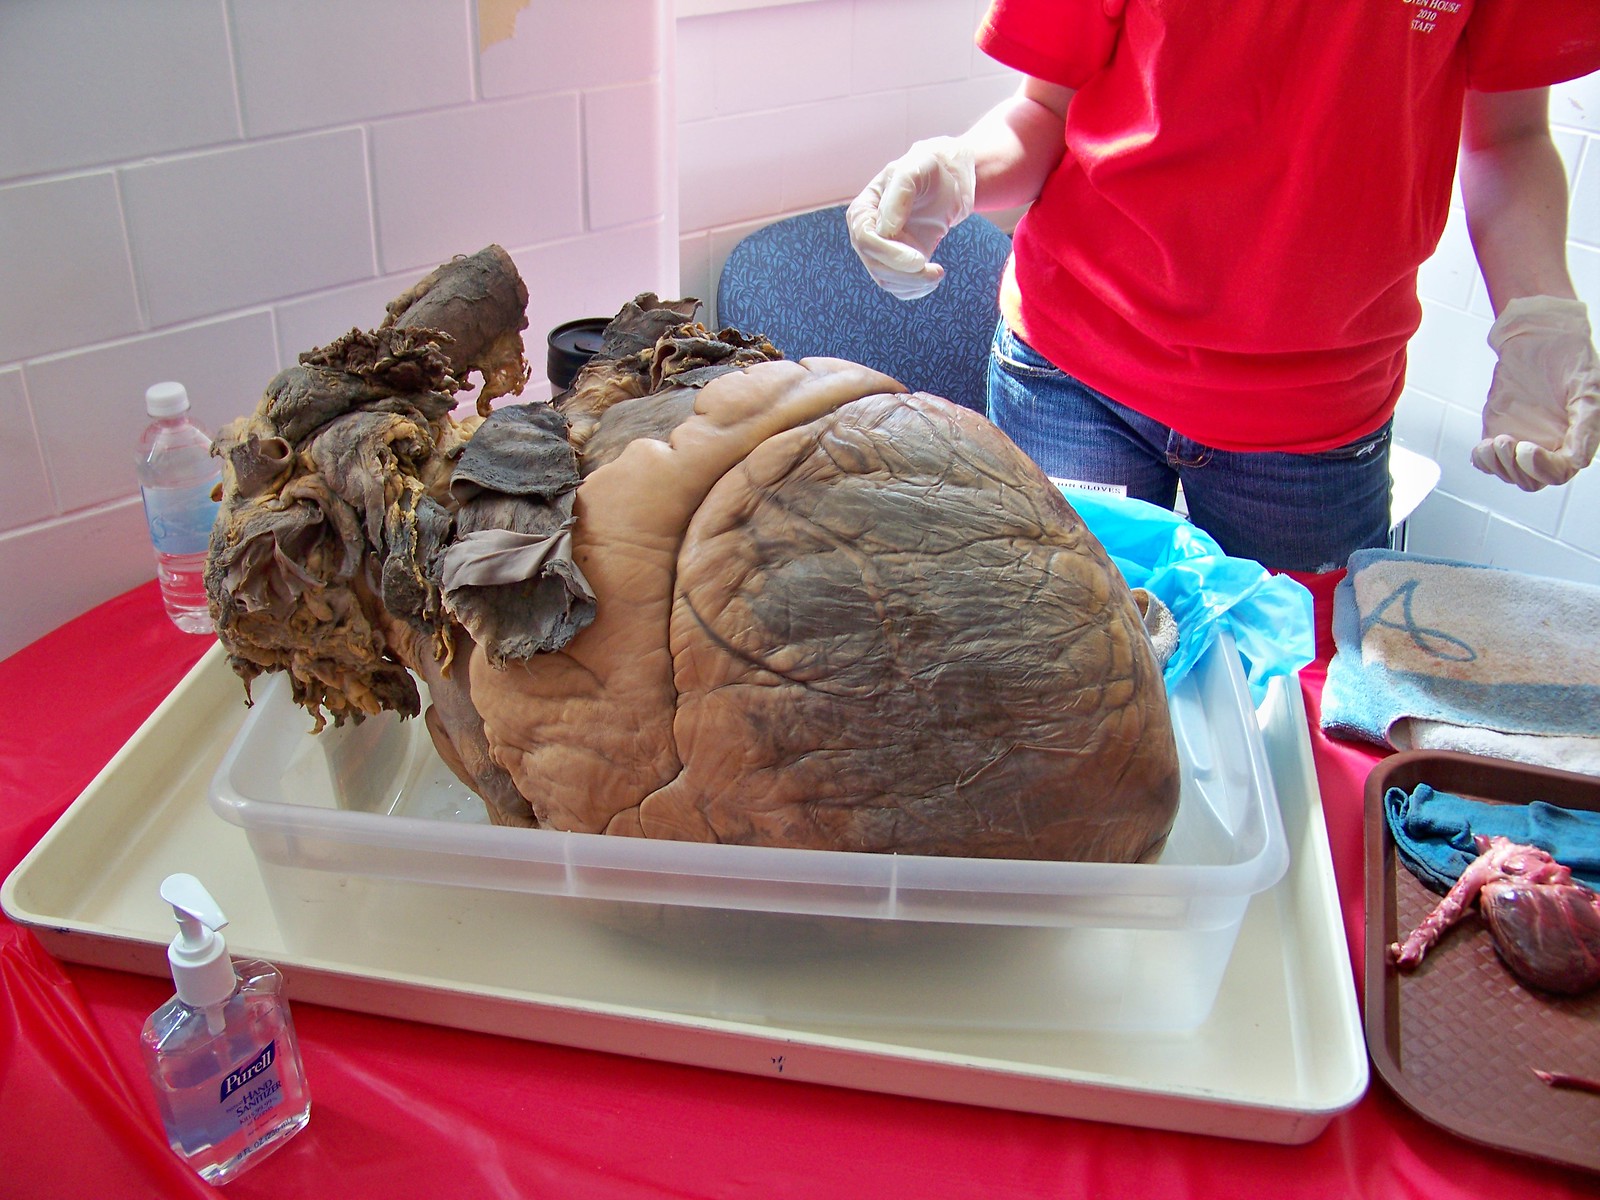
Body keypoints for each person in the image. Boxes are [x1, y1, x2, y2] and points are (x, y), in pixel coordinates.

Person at [847, 1, 1600, 574]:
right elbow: (1045, 111)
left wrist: (1541, 316)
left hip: (1315, 421)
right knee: (1064, 671)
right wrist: (958, 171)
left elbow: (1509, 136)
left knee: (1284, 703)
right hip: (1074, 375)